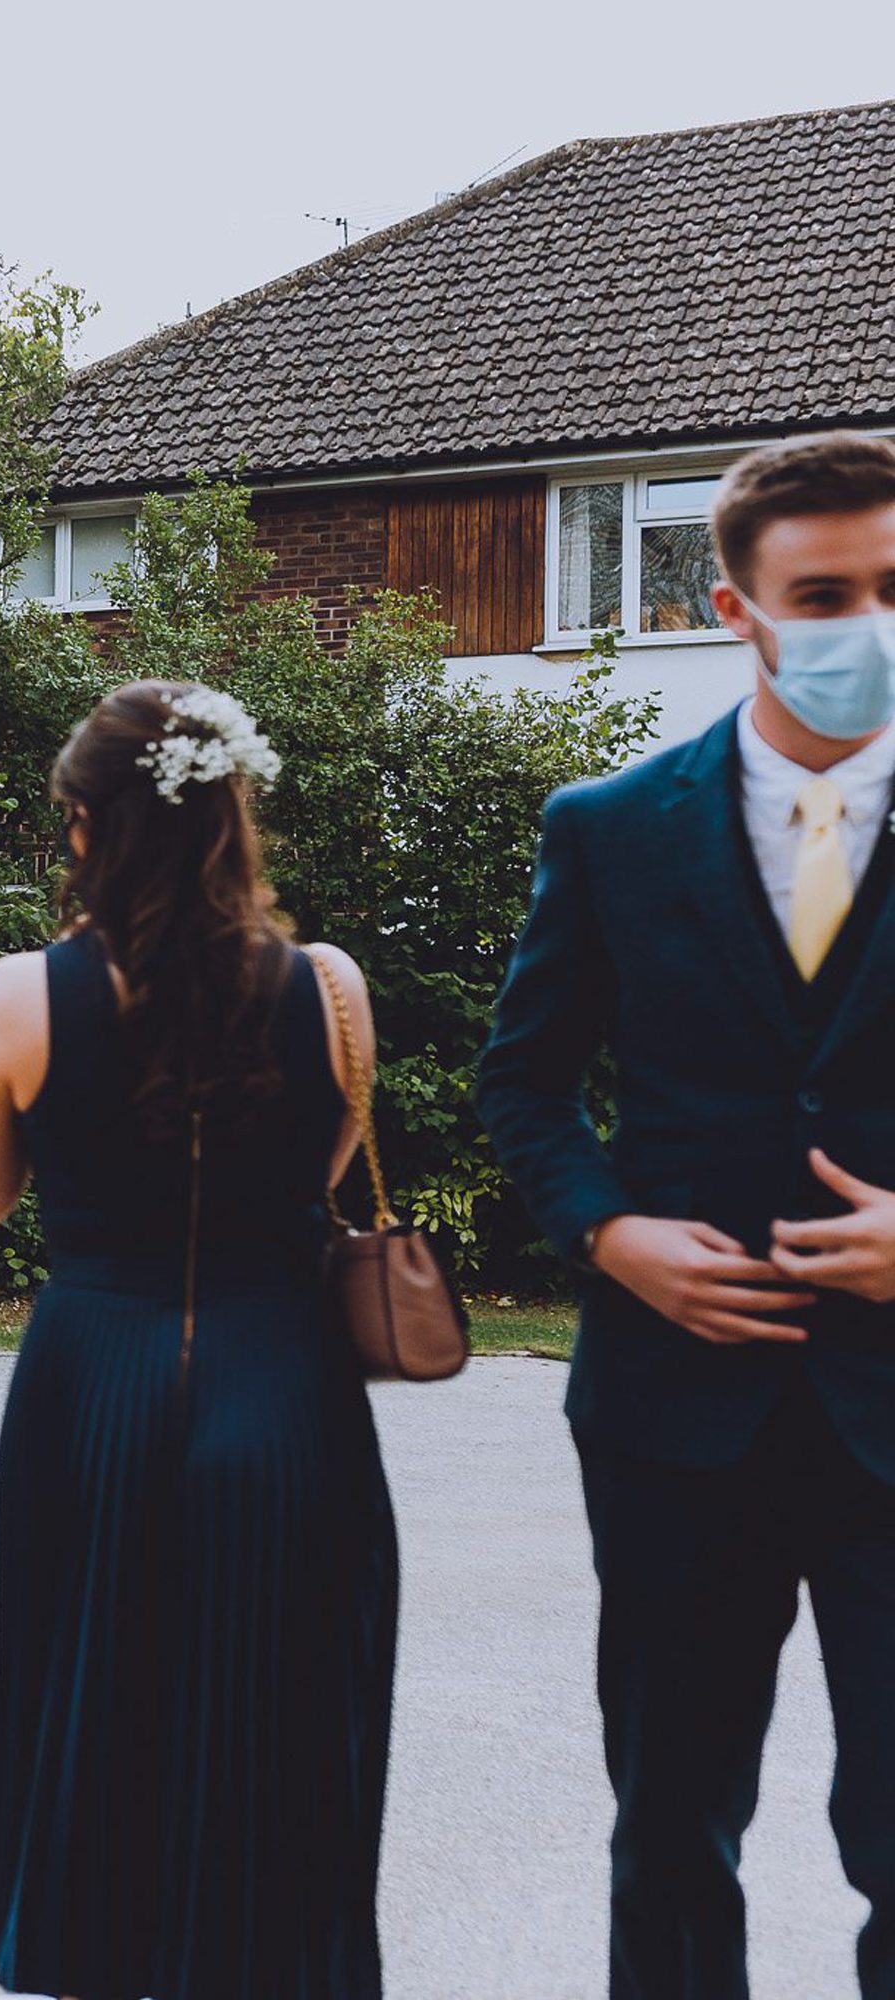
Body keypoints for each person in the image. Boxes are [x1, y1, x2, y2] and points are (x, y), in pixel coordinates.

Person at [478, 430, 895, 2000]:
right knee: (668, 1831)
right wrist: (607, 1234)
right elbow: (521, 1086)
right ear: (739, 607)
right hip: (672, 1422)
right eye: (829, 592)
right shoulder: (607, 824)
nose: (872, 621)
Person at [0, 681, 397, 2000]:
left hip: (93, 1382)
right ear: (232, 818)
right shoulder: (335, 989)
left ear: (84, 828)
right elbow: (331, 1164)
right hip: (285, 1380)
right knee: (281, 1699)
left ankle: (93, 1953)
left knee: (95, 1694)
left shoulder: (21, 995)